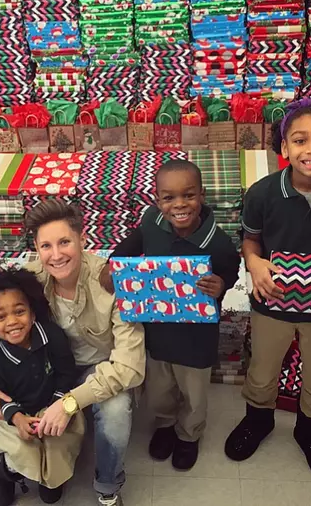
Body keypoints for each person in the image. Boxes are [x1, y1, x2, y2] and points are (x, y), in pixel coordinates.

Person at [224, 97, 311, 483]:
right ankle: (258, 420)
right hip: (271, 302)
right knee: (262, 369)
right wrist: (253, 264)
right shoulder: (263, 194)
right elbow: (250, 242)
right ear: (284, 148)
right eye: (300, 140)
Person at [0, 199, 146, 506]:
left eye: (65, 242)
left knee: (117, 410)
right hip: (43, 367)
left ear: (82, 239)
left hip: (98, 371)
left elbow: (129, 366)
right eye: (46, 246)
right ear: (37, 250)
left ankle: (107, 486)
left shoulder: (113, 283)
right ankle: (12, 467)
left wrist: (69, 402)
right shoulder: (30, 279)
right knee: (9, 408)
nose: (56, 255)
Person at [101, 160, 240, 470]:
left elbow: (230, 272)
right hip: (157, 330)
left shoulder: (218, 243)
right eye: (169, 197)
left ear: (202, 195)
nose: (179, 204)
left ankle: (189, 435)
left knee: (194, 393)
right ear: (157, 199)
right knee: (159, 387)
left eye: (188, 195)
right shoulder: (151, 222)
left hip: (196, 338)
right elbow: (134, 241)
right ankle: (164, 424)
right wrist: (113, 262)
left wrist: (222, 285)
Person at [0, 269, 85, 506]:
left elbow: (66, 373)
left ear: (32, 315)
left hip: (54, 401)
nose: (12, 322)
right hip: (14, 409)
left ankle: (51, 478)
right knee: (23, 448)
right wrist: (17, 418)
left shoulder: (53, 336)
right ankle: (6, 471)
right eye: (1, 317)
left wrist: (57, 406)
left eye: (19, 312)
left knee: (60, 443)